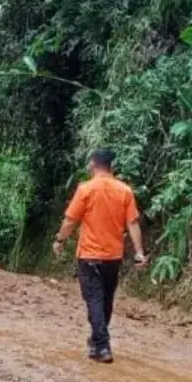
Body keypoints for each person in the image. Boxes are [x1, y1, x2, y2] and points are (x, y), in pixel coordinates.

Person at [52, 149, 146, 363]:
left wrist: (60, 240)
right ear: (111, 166)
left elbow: (70, 220)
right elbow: (132, 224)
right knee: (105, 300)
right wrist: (139, 252)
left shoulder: (86, 189)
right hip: (113, 256)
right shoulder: (125, 191)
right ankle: (96, 342)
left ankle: (102, 347)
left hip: (89, 255)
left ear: (93, 164)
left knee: (94, 299)